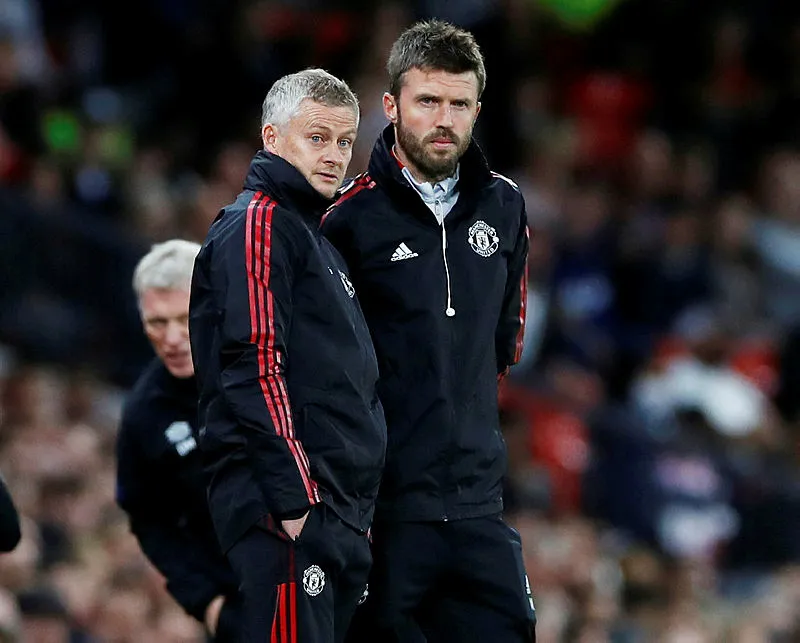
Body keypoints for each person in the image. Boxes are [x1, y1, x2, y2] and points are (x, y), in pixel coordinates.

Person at [321, 20, 536, 643]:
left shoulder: (504, 205)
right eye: (428, 101)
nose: (445, 120)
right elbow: (326, 368)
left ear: (477, 110)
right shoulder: (346, 220)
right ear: (391, 106)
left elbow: (505, 342)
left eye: (460, 104)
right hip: (383, 512)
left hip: (477, 504)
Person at [188, 68, 387, 643]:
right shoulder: (258, 222)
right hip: (288, 510)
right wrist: (296, 502)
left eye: (345, 141)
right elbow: (254, 363)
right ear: (272, 138)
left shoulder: (316, 241)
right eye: (317, 137)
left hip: (337, 514)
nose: (335, 155)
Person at [115, 239, 241, 642]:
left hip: (328, 569)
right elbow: (149, 519)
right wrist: (206, 601)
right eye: (157, 322)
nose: (171, 337)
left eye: (184, 318)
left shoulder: (267, 363)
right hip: (241, 599)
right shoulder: (144, 413)